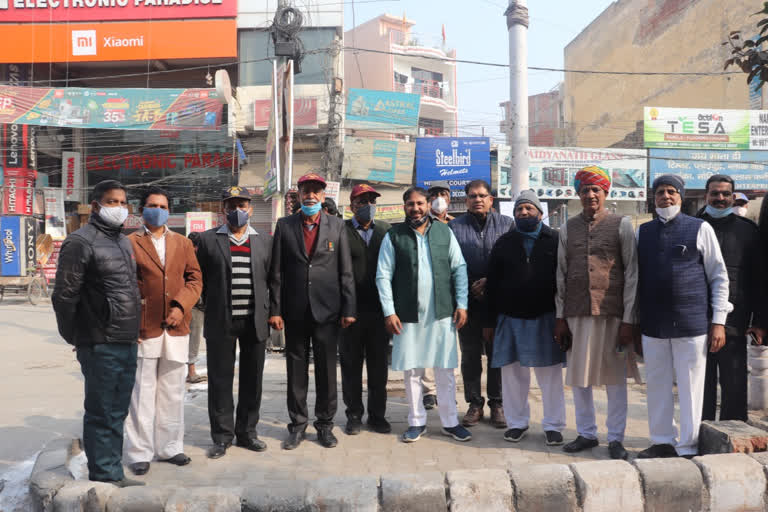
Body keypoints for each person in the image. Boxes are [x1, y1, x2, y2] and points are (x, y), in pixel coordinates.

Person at [52, 180, 144, 487]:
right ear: (96, 205)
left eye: (122, 202)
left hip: (126, 340)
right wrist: (76, 337)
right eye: (112, 201)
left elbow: (128, 290)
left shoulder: (124, 241)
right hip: (100, 341)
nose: (119, 208)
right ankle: (104, 477)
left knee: (117, 412)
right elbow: (64, 297)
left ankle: (112, 471)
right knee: (101, 411)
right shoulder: (81, 242)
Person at [637, 175, 732, 459]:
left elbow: (719, 277)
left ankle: (688, 446)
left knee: (691, 387)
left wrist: (718, 322)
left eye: (671, 192)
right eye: (660, 193)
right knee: (657, 385)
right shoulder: (643, 232)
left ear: (680, 196)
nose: (665, 197)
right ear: (652, 199)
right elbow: (635, 279)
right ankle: (663, 441)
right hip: (653, 324)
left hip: (692, 324)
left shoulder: (700, 228)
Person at [554, 166, 639, 461]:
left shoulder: (622, 224)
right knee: (580, 378)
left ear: (605, 193)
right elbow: (561, 274)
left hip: (612, 313)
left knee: (615, 379)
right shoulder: (568, 228)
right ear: (577, 194)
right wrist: (560, 317)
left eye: (596, 190)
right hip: (576, 312)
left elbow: (632, 274)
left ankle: (616, 438)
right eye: (584, 190)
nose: (590, 195)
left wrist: (629, 319)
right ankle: (587, 433)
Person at [376, 186, 472, 443]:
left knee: (445, 370)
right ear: (404, 206)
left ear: (429, 205)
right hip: (407, 315)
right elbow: (383, 276)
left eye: (420, 203)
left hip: (442, 314)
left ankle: (450, 421)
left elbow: (459, 268)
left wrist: (462, 304)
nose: (416, 208)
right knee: (413, 371)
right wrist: (389, 311)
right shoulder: (394, 235)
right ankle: (416, 422)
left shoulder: (444, 231)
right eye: (410, 204)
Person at [268, 173, 356, 450]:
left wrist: (348, 307)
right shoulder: (284, 226)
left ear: (322, 195)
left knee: (327, 371)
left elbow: (345, 271)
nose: (311, 196)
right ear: (298, 194)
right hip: (294, 312)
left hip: (328, 312)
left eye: (316, 191)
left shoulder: (337, 226)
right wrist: (276, 310)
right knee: (296, 371)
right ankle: (296, 426)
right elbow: (276, 272)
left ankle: (325, 426)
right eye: (306, 190)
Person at [123, 187, 202, 475]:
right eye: (153, 205)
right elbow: (125, 286)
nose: (158, 209)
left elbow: (194, 279)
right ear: (141, 209)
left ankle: (170, 448)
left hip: (177, 326)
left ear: (170, 210)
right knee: (142, 392)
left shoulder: (182, 243)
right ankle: (139, 452)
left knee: (172, 391)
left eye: (163, 205)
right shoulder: (130, 243)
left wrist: (181, 305)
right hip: (144, 326)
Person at [196, 186, 273, 459]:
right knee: (220, 380)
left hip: (255, 321)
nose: (237, 211)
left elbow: (274, 280)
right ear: (223, 210)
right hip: (221, 321)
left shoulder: (265, 240)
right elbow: (196, 279)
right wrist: (206, 305)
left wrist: (275, 312)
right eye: (231, 206)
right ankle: (222, 436)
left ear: (250, 209)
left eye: (242, 205)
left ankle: (247, 433)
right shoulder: (207, 240)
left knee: (253, 380)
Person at [485, 190, 566, 445]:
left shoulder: (555, 240)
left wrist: (564, 318)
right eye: (519, 209)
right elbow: (492, 284)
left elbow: (565, 280)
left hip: (546, 317)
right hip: (510, 318)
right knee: (513, 376)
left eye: (529, 208)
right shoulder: (504, 242)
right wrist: (489, 321)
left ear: (540, 213)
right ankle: (517, 423)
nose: (524, 213)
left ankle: (553, 425)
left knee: (550, 376)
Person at [698, 176, 765, 422]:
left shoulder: (748, 230)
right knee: (700, 384)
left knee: (734, 382)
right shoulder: (692, 226)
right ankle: (698, 435)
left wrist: (760, 321)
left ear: (733, 197)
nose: (720, 198)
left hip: (736, 321)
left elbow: (759, 279)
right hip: (697, 319)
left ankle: (732, 437)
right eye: (715, 193)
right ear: (706, 195)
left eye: (726, 194)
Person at [448, 179, 513, 428]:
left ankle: (497, 403)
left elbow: (513, 261)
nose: (477, 199)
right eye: (472, 196)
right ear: (466, 200)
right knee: (471, 355)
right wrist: (469, 287)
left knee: (497, 355)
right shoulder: (454, 228)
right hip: (468, 303)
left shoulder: (507, 225)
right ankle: (475, 403)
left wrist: (490, 281)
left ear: (491, 199)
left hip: (498, 301)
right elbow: (450, 265)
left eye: (482, 195)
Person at [340, 184, 392, 435]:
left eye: (372, 201)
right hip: (350, 313)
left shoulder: (386, 231)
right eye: (362, 201)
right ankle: (353, 415)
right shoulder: (341, 231)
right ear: (352, 206)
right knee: (350, 366)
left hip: (380, 312)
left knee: (379, 367)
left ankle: (377, 416)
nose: (368, 205)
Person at [421, 180, 455, 407]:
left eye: (443, 194)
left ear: (450, 198)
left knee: (449, 345)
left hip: (450, 294)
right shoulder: (421, 225)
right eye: (433, 195)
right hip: (425, 293)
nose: (439, 198)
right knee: (425, 342)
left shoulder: (457, 225)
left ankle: (447, 390)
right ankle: (428, 391)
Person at [186, 231, 207, 384]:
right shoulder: (185, 258)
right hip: (193, 304)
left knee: (196, 336)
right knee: (193, 336)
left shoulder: (202, 258)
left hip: (203, 304)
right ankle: (190, 371)